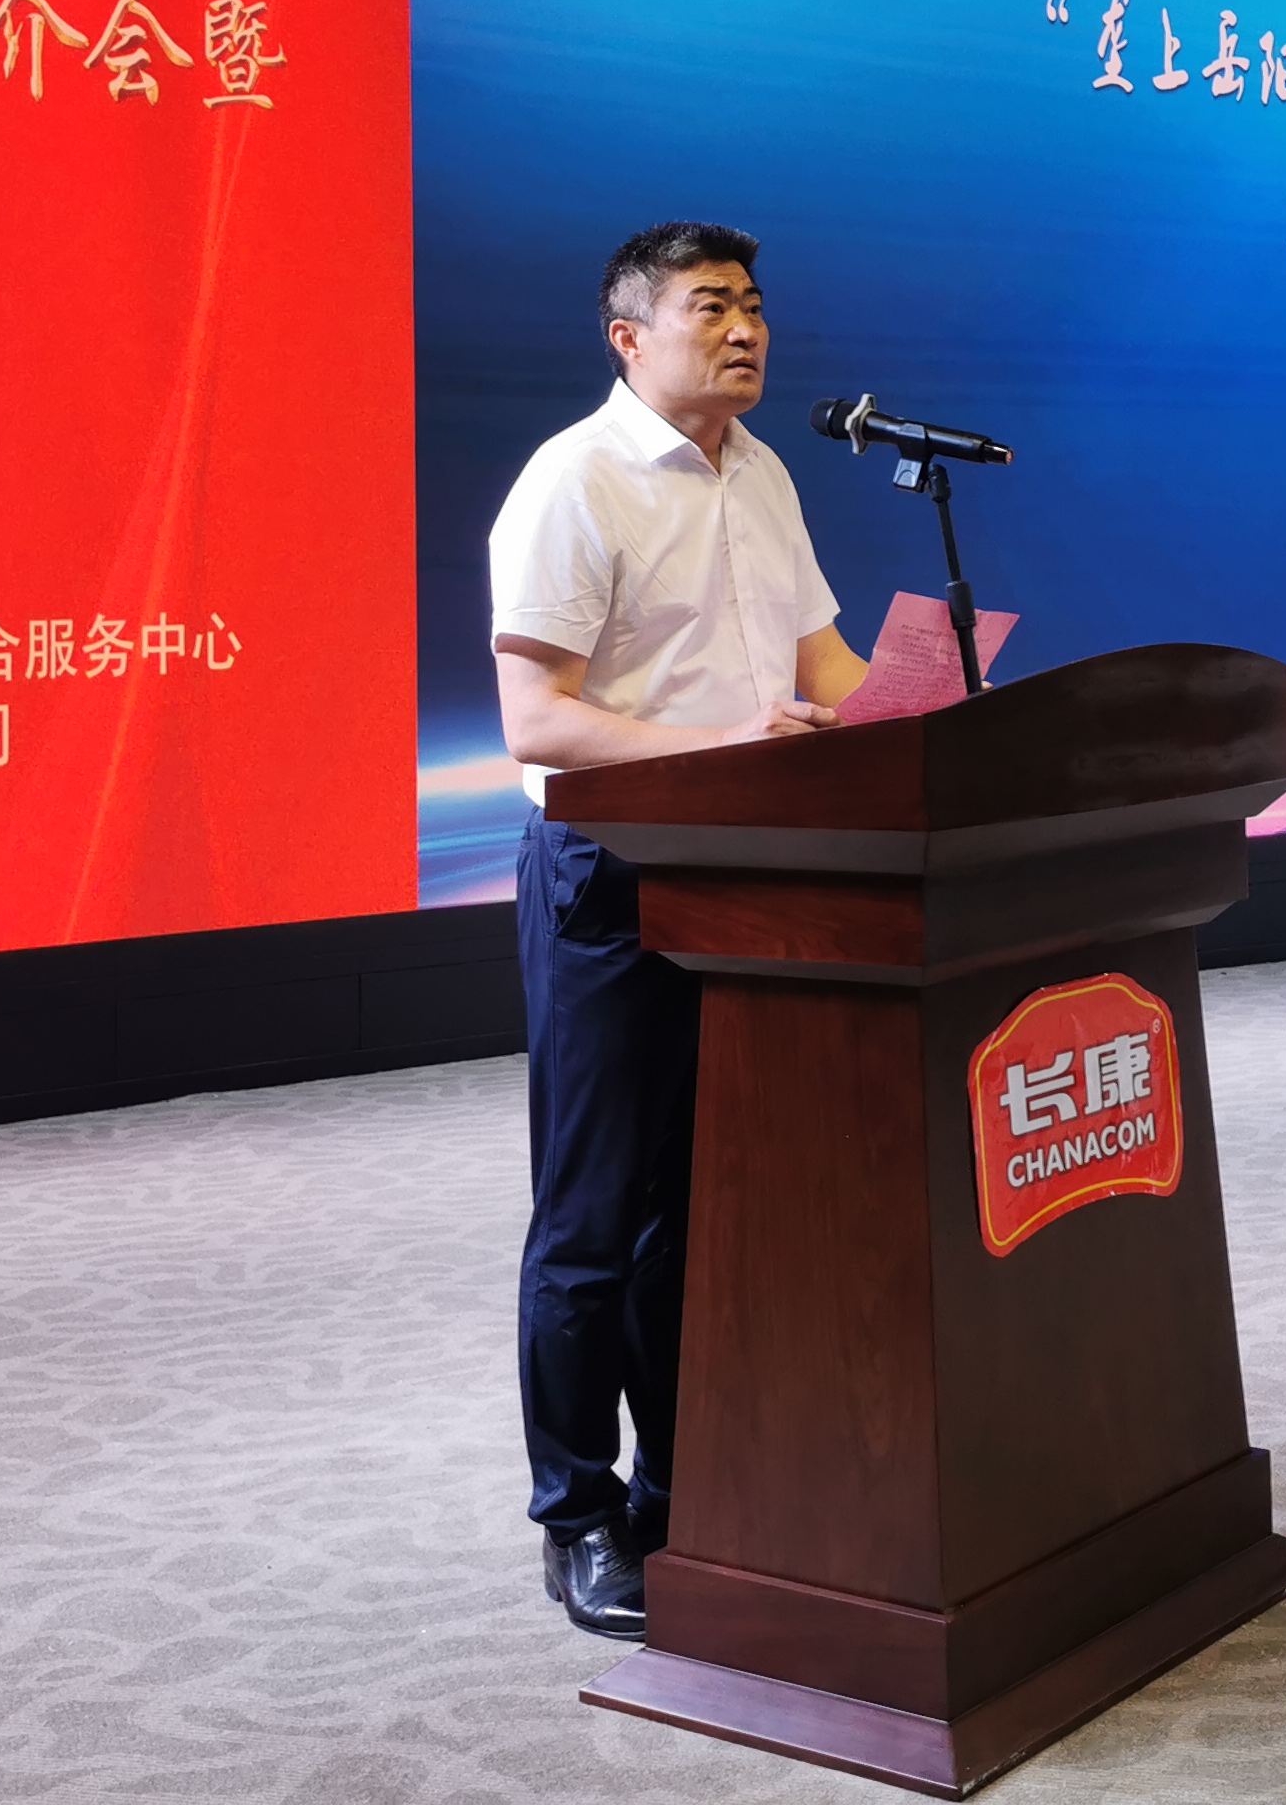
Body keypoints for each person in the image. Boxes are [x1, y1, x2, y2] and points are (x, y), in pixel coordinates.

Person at [487, 220, 867, 1642]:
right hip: (611, 876)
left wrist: (932, 707)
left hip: (747, 877)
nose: (746, 328)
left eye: (755, 305)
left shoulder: (762, 473)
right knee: (591, 1220)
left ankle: (681, 1487)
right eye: (711, 306)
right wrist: (727, 748)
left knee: (698, 1217)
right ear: (628, 334)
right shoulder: (573, 481)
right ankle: (577, 1517)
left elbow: (820, 666)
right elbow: (538, 720)